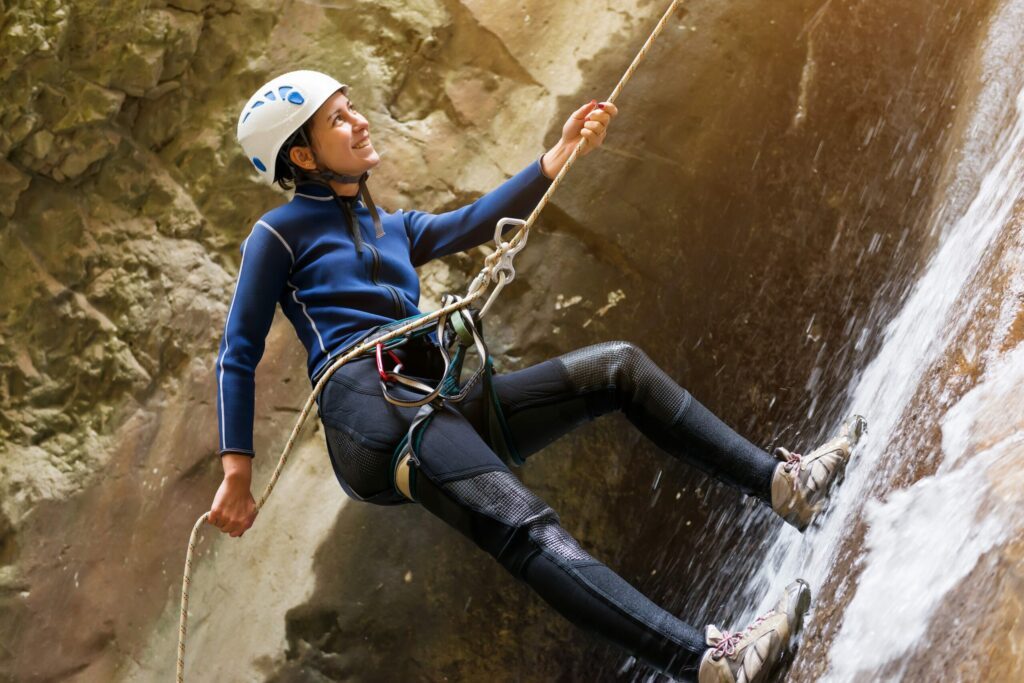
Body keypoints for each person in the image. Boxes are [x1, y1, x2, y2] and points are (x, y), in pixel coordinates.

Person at [208, 70, 865, 682]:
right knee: (526, 526)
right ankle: (710, 662)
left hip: (432, 400)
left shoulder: (389, 226)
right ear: (302, 156)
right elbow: (237, 350)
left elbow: (469, 222)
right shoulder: (278, 234)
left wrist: (560, 153)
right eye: (339, 119)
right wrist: (238, 473)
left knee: (618, 368)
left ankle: (785, 485)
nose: (359, 123)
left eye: (353, 110)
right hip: (375, 417)